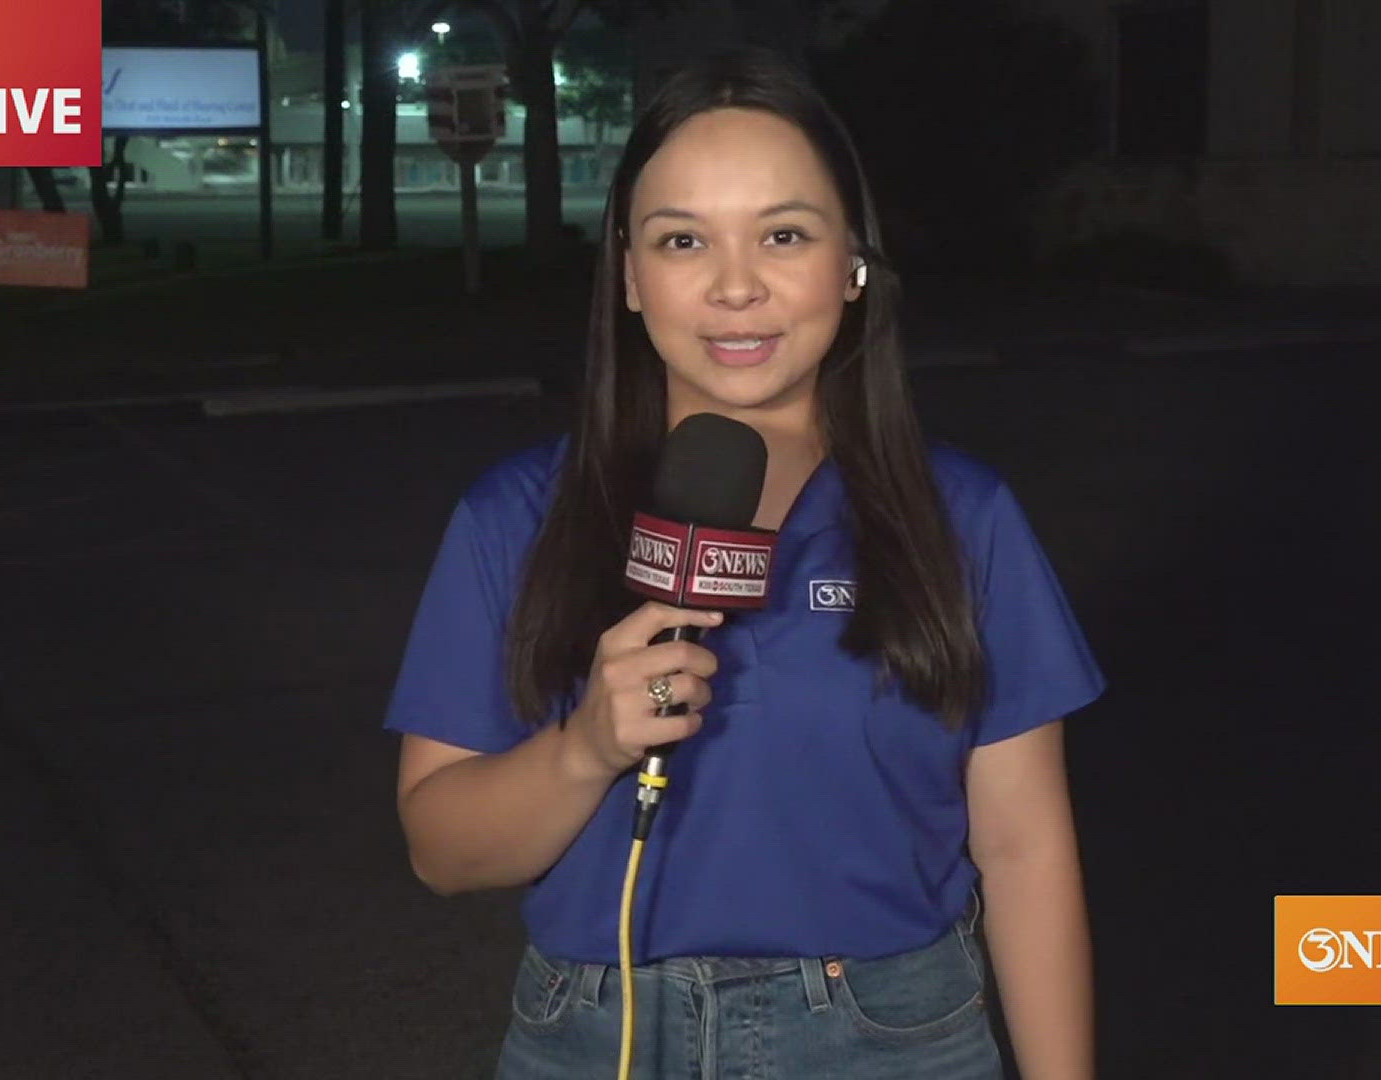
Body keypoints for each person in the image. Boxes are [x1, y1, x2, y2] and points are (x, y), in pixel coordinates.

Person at [385, 46, 1106, 1080]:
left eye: (783, 235)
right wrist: (584, 747)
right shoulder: (518, 516)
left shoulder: (962, 517)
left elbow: (1026, 854)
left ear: (852, 265)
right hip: (596, 1036)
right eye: (683, 240)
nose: (736, 287)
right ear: (629, 275)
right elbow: (442, 853)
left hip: (895, 1039)